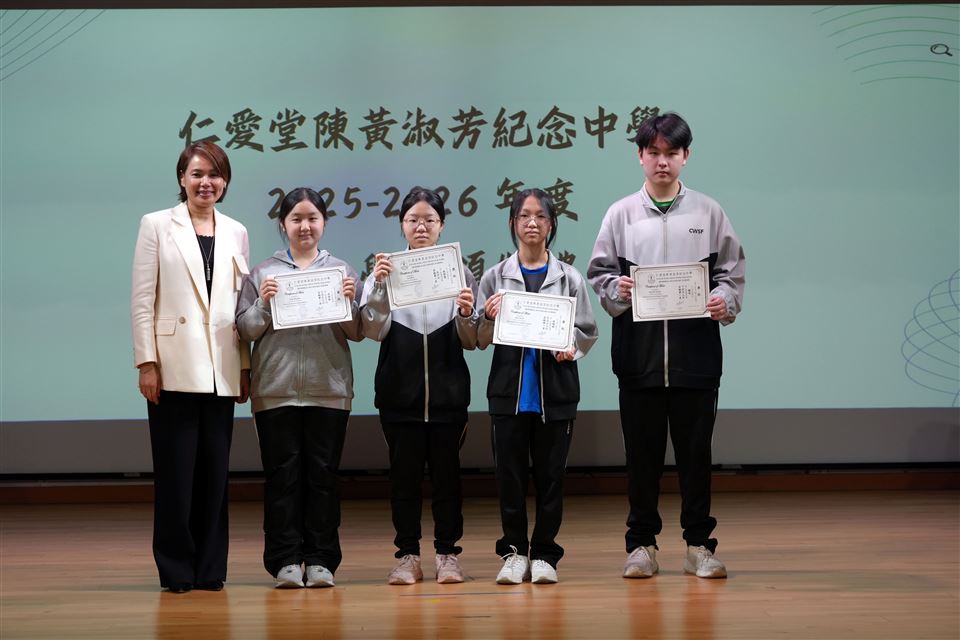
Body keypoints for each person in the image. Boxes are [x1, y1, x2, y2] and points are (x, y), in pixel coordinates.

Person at [586, 112, 745, 579]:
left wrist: (723, 300)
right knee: (642, 460)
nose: (662, 161)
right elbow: (599, 273)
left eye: (671, 153)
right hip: (639, 360)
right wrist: (618, 289)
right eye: (653, 152)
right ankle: (641, 546)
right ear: (640, 156)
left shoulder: (709, 212)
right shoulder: (620, 214)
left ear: (685, 156)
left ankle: (699, 546)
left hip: (697, 359)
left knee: (696, 459)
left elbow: (732, 272)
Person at [131, 141, 251, 593]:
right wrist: (147, 362)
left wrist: (245, 366)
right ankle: (176, 568)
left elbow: (241, 305)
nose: (206, 182)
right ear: (182, 177)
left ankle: (210, 568)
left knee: (215, 476)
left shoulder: (237, 230)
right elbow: (142, 298)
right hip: (173, 365)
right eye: (197, 173)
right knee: (176, 476)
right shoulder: (157, 224)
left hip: (222, 366)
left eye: (215, 174)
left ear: (225, 181)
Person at [235, 187, 363, 589]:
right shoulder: (262, 274)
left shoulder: (341, 271)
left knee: (323, 478)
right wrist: (263, 304)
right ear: (283, 224)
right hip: (275, 390)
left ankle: (322, 560)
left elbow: (359, 331)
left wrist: (349, 303)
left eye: (312, 218)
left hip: (329, 390)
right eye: (296, 219)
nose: (305, 226)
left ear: (324, 223)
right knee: (282, 478)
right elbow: (244, 329)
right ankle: (285, 560)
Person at [474, 188, 598, 585]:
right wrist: (488, 317)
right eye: (524, 216)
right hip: (508, 393)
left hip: (555, 394)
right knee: (509, 478)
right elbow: (476, 336)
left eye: (540, 216)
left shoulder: (569, 277)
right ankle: (513, 553)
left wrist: (571, 346)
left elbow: (587, 331)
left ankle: (545, 553)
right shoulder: (495, 276)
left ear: (551, 224)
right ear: (512, 223)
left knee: (551, 479)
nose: (532, 223)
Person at [359, 187, 478, 585]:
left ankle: (448, 554)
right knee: (404, 481)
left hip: (448, 399)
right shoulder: (384, 272)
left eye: (429, 220)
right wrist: (379, 287)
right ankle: (407, 556)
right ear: (402, 225)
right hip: (399, 398)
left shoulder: (460, 273)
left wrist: (466, 312)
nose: (421, 226)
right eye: (413, 220)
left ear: (442, 225)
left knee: (448, 481)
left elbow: (471, 340)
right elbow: (372, 331)